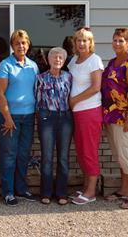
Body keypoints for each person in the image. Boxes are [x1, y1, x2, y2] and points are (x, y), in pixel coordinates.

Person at [0, 29, 39, 206]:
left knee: (23, 154)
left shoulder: (33, 66)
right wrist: (7, 117)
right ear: (12, 45)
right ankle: (8, 192)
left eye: (24, 43)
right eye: (17, 43)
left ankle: (20, 189)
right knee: (9, 155)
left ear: (28, 45)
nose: (21, 46)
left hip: (28, 117)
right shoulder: (5, 65)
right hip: (9, 117)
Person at [101, 28, 128, 209]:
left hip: (124, 117)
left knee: (126, 155)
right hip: (110, 115)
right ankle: (124, 190)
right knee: (119, 155)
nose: (117, 43)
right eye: (115, 40)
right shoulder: (111, 62)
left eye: (121, 41)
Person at [68, 27, 104, 205]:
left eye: (85, 40)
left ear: (91, 43)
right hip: (77, 114)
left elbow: (96, 87)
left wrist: (74, 101)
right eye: (79, 40)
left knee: (89, 151)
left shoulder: (94, 60)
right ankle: (85, 187)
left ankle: (91, 192)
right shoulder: (74, 60)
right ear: (74, 43)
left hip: (89, 111)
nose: (82, 43)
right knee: (81, 151)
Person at [35, 47, 73, 206]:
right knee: (47, 157)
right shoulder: (41, 78)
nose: (57, 60)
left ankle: (62, 192)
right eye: (54, 57)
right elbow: (36, 99)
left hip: (65, 118)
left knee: (63, 157)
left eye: (60, 58)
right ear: (49, 60)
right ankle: (46, 192)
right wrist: (41, 117)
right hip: (47, 117)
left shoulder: (69, 77)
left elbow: (71, 95)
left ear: (64, 61)